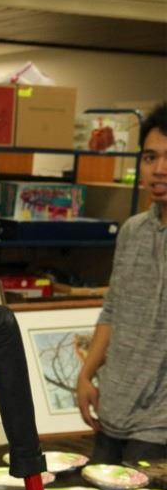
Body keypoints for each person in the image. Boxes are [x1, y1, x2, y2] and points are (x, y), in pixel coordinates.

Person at [76, 102, 167, 464]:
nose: (159, 169)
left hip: (159, 427)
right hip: (111, 411)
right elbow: (113, 310)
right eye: (150, 157)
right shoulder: (132, 231)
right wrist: (86, 375)